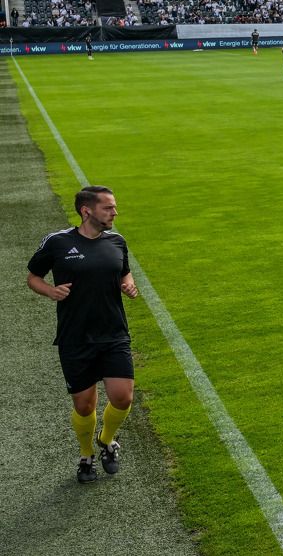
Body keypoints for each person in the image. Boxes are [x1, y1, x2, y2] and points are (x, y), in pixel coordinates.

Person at [26, 185, 140, 484]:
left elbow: (123, 270)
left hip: (114, 334)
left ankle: (107, 440)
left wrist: (127, 284)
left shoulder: (117, 241)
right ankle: (87, 453)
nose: (115, 212)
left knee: (123, 398)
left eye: (114, 207)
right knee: (84, 405)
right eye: (108, 208)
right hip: (75, 337)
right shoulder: (58, 242)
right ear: (86, 211)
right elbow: (33, 277)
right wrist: (52, 291)